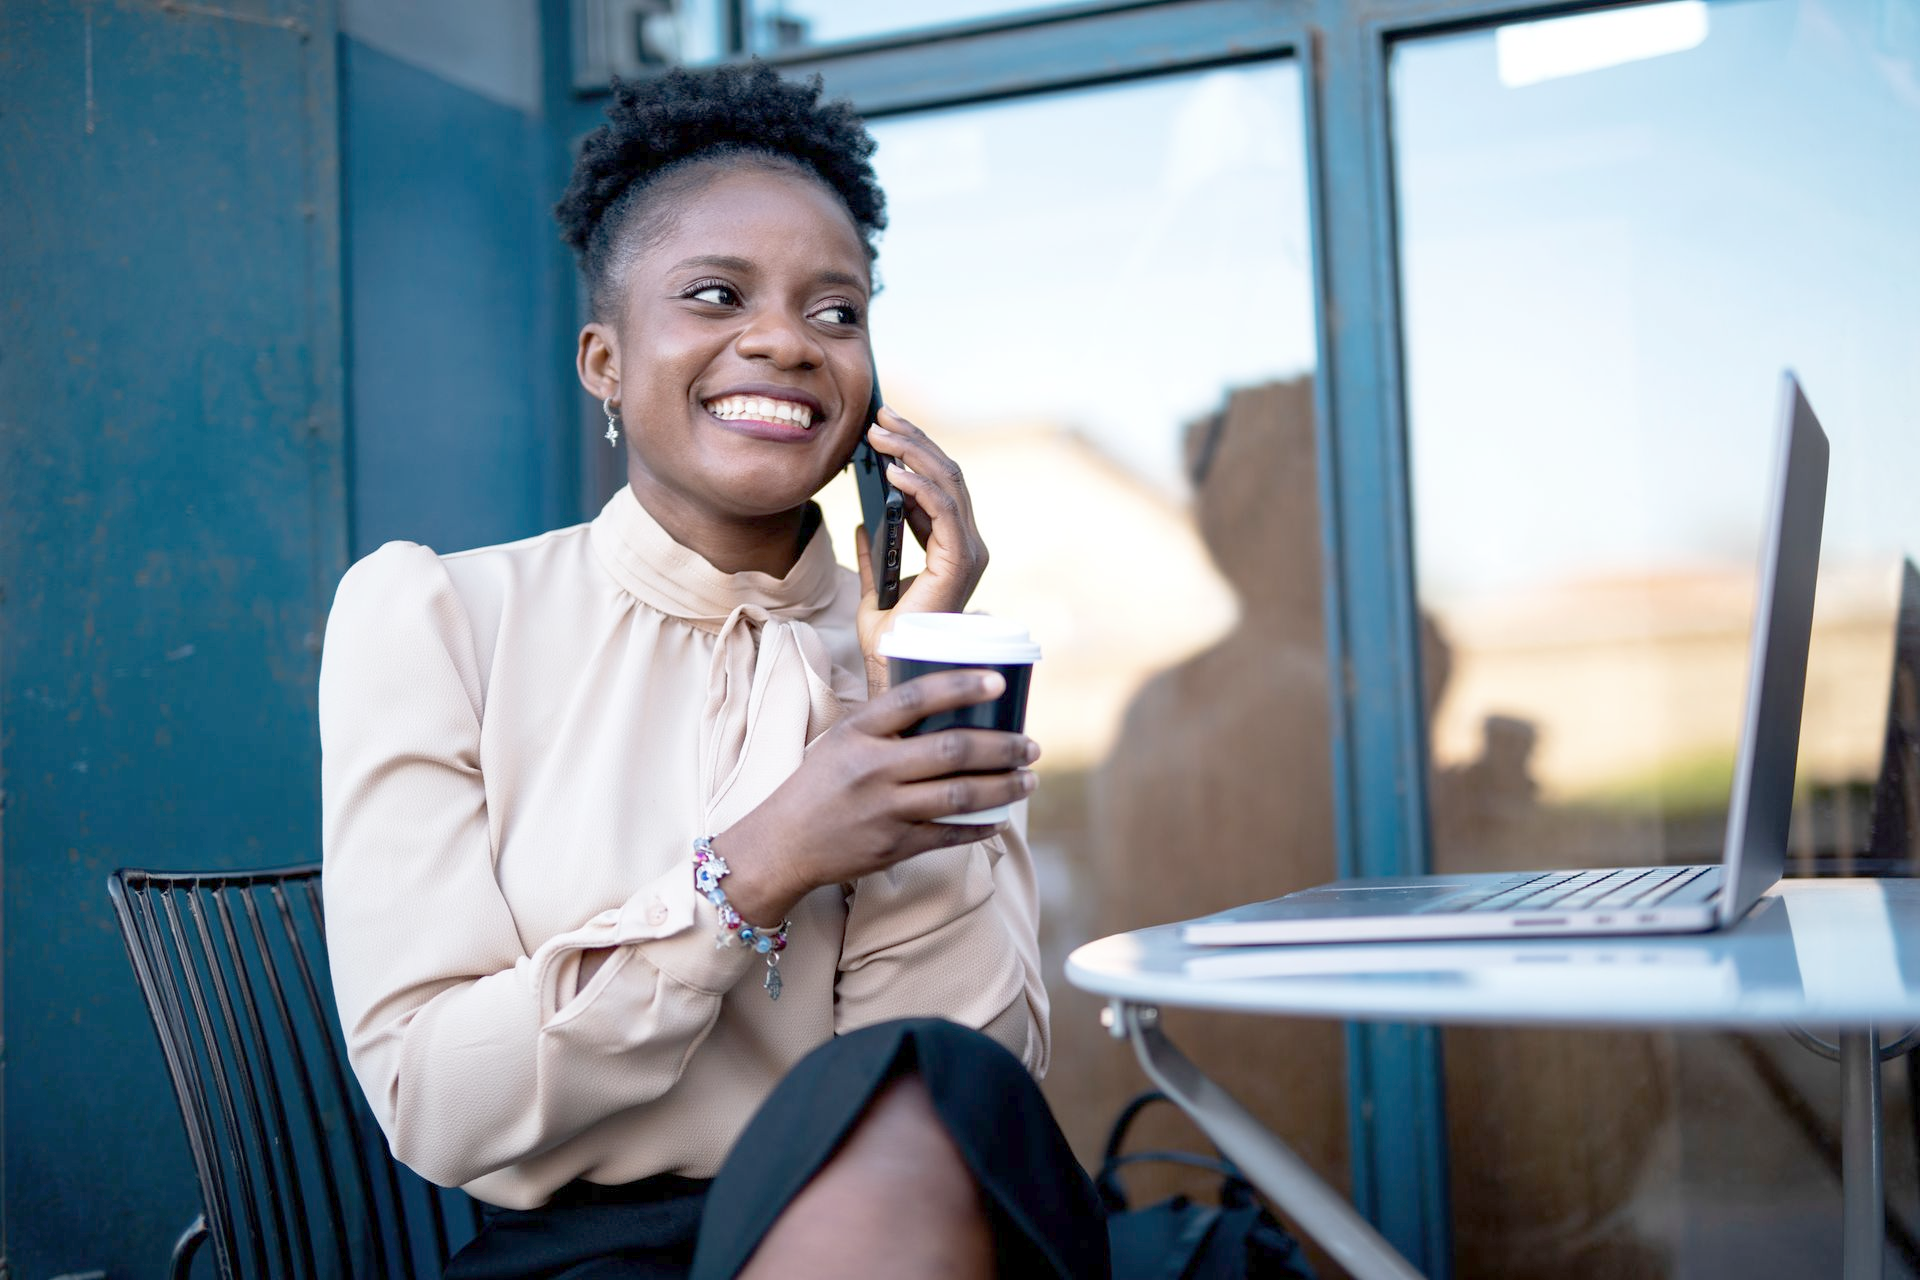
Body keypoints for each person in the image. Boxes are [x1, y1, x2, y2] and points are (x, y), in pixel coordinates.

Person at [319, 62, 1109, 1280]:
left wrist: (913, 683)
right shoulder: (439, 616)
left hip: (900, 1221)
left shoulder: (913, 645)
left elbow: (959, 1071)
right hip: (596, 1253)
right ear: (603, 362)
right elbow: (436, 1096)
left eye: (837, 312)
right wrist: (763, 860)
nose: (786, 340)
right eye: (714, 293)